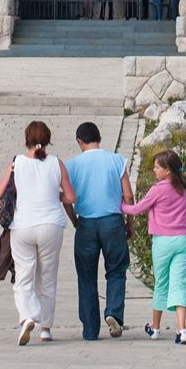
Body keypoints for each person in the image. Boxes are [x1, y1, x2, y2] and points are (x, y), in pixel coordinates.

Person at [0, 121, 75, 344]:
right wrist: (57, 197)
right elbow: (71, 197)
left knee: (24, 276)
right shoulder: (56, 163)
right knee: (48, 277)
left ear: (26, 138)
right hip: (51, 225)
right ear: (48, 139)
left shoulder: (16, 162)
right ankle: (46, 328)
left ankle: (27, 317)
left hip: (22, 226)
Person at [63, 122, 133, 340]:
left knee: (86, 276)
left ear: (79, 142)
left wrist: (74, 219)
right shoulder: (116, 160)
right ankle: (113, 313)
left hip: (86, 224)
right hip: (112, 222)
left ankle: (90, 330)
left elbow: (65, 197)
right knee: (117, 270)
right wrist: (129, 223)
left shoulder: (72, 165)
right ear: (99, 138)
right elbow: (128, 196)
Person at [121, 149, 186, 344]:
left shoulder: (158, 189)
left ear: (168, 171)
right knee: (179, 283)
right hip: (182, 240)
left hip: (162, 242)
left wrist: (119, 205)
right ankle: (182, 330)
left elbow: (137, 209)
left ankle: (155, 328)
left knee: (161, 284)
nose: (154, 170)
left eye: (157, 167)